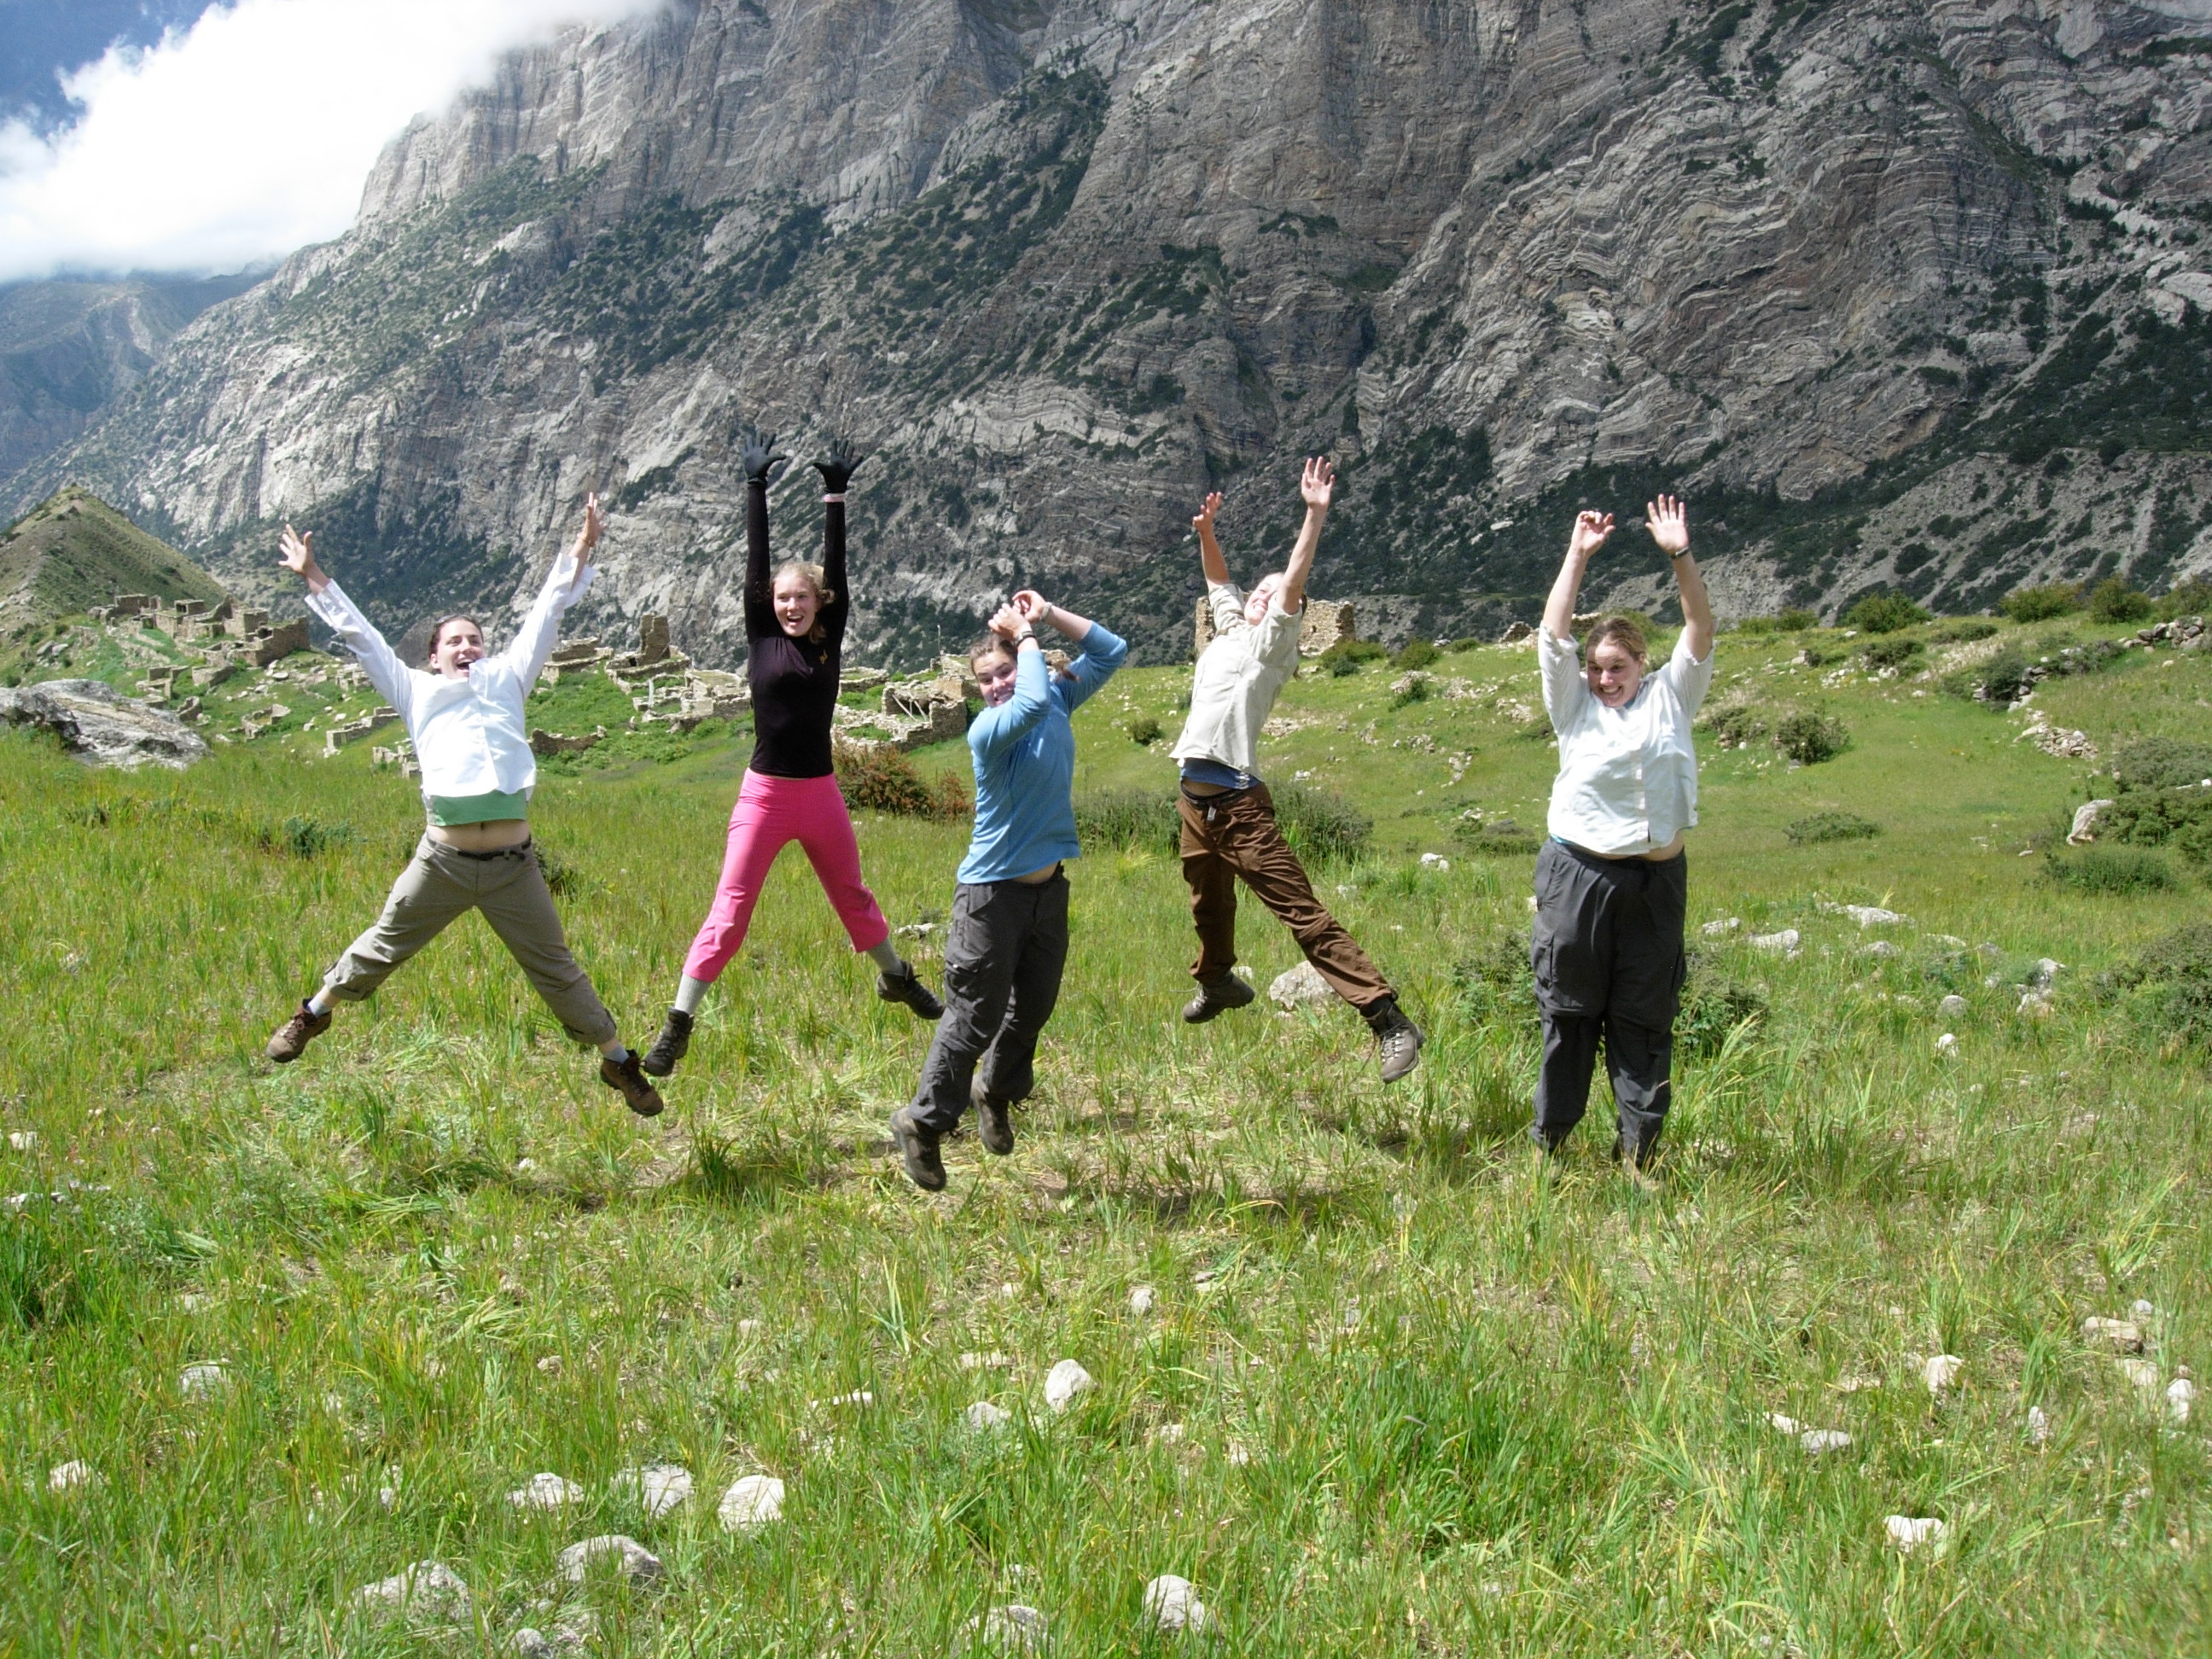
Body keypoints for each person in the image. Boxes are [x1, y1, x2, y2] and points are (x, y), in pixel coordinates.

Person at [262, 499, 666, 1116]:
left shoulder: (508, 679)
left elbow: (547, 611)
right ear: (434, 656)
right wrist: (314, 576)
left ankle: (618, 1062)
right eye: (455, 641)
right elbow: (359, 636)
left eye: (475, 639)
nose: (468, 646)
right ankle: (312, 1015)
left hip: (512, 866)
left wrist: (582, 548)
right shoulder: (415, 692)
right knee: (382, 945)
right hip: (443, 861)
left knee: (557, 970)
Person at [640, 432, 941, 1077]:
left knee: (853, 897)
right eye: (782, 599)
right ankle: (678, 1024)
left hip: (820, 793)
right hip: (767, 795)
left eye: (801, 598)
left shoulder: (828, 635)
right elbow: (757, 561)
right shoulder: (761, 635)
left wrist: (835, 496)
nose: (791, 606)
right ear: (770, 605)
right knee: (730, 911)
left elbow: (837, 569)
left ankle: (897, 977)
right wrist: (755, 488)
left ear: (817, 603)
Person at [1169, 460, 1423, 1083]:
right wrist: (1206, 531)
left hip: (1238, 806)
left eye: (1273, 594)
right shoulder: (1230, 631)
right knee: (1208, 904)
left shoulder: (1271, 646)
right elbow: (1219, 583)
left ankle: (1388, 1019)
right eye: (1256, 592)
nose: (1259, 596)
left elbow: (1289, 586)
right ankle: (1220, 980)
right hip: (1192, 802)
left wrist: (1314, 514)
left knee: (1301, 914)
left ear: (1290, 611)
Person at [888, 591, 1127, 1190]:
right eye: (985, 680)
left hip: (1047, 893)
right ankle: (922, 1123)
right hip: (990, 896)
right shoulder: (992, 728)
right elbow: (1032, 699)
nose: (995, 685)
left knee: (1033, 1010)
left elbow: (1111, 649)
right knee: (974, 1017)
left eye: (1003, 674)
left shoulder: (1054, 701)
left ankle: (993, 1091)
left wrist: (1044, 617)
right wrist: (1023, 640)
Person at [1530, 495, 1714, 1173]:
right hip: (1580, 876)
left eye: (1618, 666)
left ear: (1642, 663)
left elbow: (1700, 624)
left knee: (1644, 1018)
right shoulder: (1574, 705)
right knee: (1571, 1014)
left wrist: (1678, 554)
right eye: (1598, 668)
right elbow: (1553, 636)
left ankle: (1639, 1157)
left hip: (1657, 881)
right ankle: (1550, 1149)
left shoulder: (1675, 694)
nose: (1606, 678)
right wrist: (1577, 554)